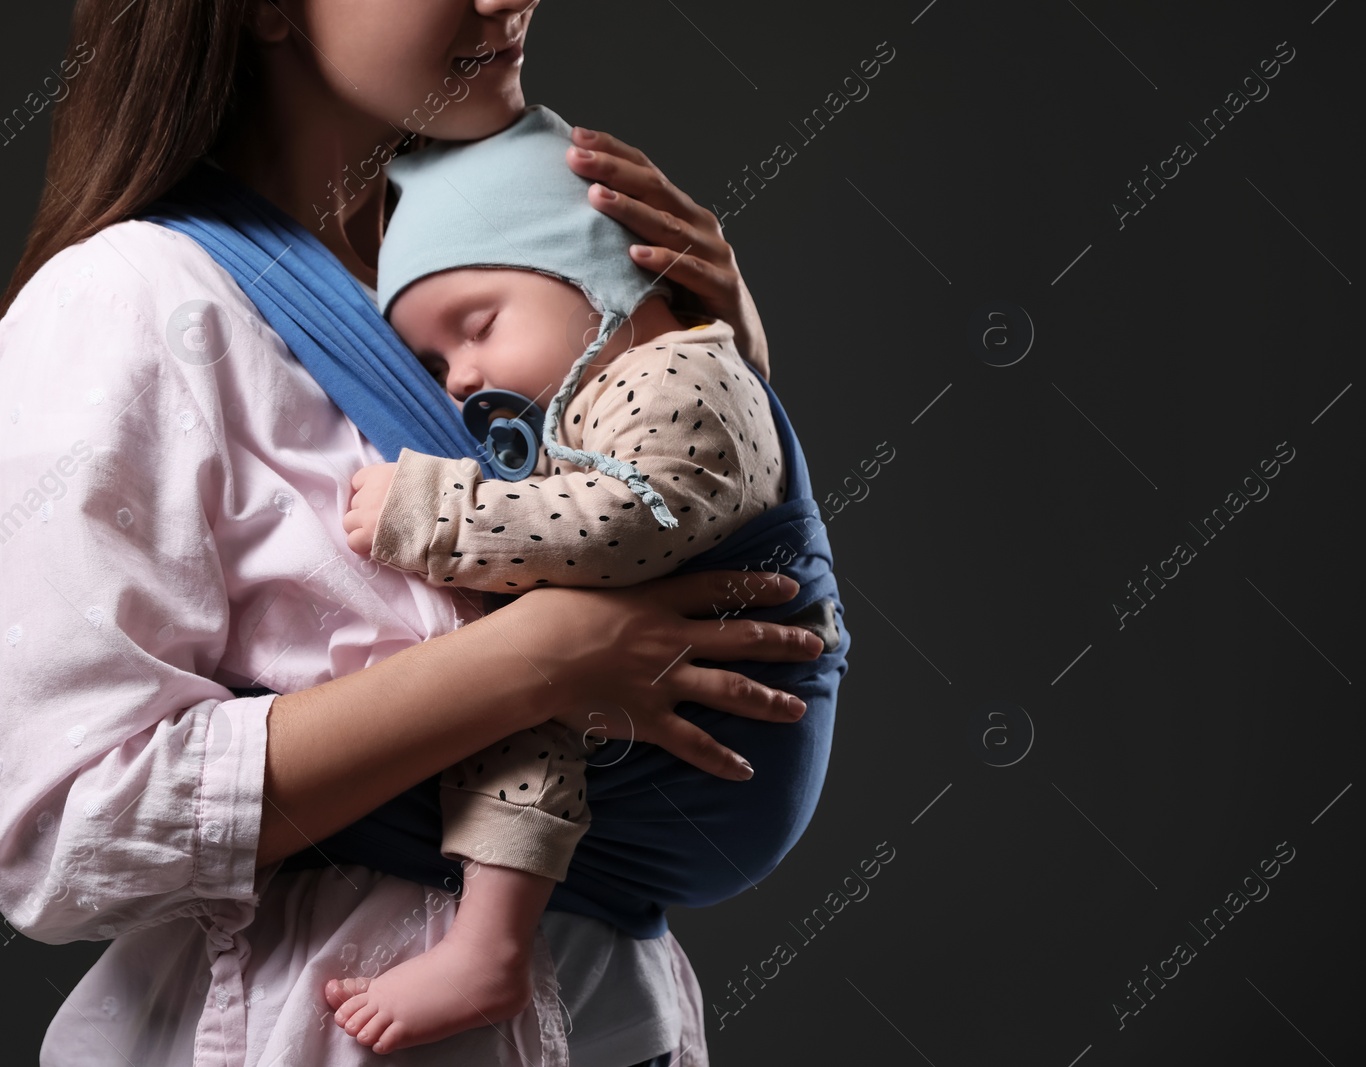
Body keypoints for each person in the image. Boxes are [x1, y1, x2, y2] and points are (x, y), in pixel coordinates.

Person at [0, 2, 843, 1065]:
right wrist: (538, 661)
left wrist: (717, 361)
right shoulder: (128, 302)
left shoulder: (515, 256)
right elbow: (61, 835)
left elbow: (657, 549)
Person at [316, 103, 845, 1053]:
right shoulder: (600, 395)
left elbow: (626, 526)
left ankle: (487, 947)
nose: (459, 379)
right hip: (681, 766)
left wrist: (433, 513)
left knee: (514, 693)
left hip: (738, 752)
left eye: (475, 327)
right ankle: (492, 942)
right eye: (434, 361)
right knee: (508, 681)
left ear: (600, 282)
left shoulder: (686, 377)